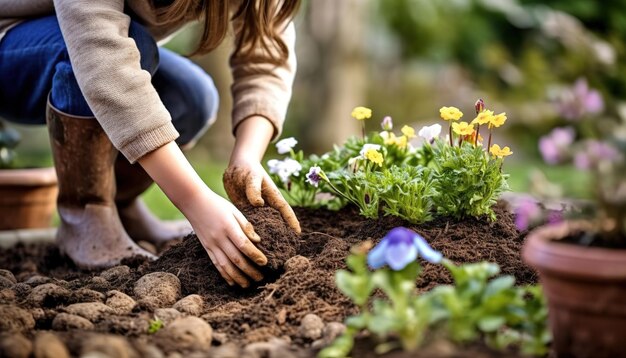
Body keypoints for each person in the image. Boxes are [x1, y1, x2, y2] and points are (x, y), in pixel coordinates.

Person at [0, 0, 302, 288]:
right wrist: (195, 202)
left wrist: (246, 158)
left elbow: (267, 52)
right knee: (133, 43)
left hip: (83, 43)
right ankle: (85, 215)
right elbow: (101, 58)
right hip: (15, 41)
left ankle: (120, 205)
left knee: (191, 95)